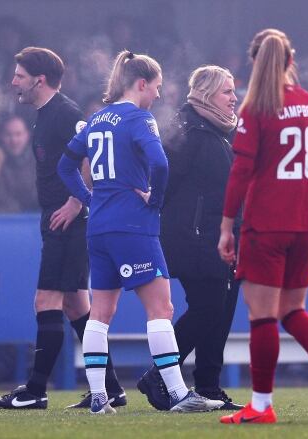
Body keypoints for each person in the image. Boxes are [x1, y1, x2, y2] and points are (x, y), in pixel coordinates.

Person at [57, 49, 224, 415]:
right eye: (158, 87)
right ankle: (179, 394)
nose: (159, 96)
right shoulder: (139, 119)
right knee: (161, 307)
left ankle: (99, 398)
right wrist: (155, 200)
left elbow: (65, 167)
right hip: (133, 226)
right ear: (142, 83)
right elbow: (160, 163)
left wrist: (88, 199)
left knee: (100, 313)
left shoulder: (96, 119)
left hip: (98, 228)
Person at [217, 29, 308, 425]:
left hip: (267, 225)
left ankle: (261, 404)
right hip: (305, 224)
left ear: (255, 63)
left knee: (262, 315)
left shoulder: (256, 109)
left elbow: (240, 172)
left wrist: (227, 226)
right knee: (293, 310)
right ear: (292, 61)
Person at [0, 47, 125, 410]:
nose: (14, 81)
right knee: (77, 308)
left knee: (45, 300)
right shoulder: (44, 116)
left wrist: (76, 202)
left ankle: (35, 390)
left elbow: (95, 157)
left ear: (39, 80)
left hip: (69, 220)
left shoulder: (65, 114)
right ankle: (113, 390)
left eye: (19, 75)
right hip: (57, 217)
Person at [138, 65, 243, 411]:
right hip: (194, 237)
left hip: (220, 236)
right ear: (206, 93)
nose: (234, 98)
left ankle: (210, 386)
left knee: (221, 309)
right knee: (209, 307)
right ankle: (159, 375)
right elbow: (162, 179)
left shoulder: (219, 131)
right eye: (227, 91)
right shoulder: (189, 131)